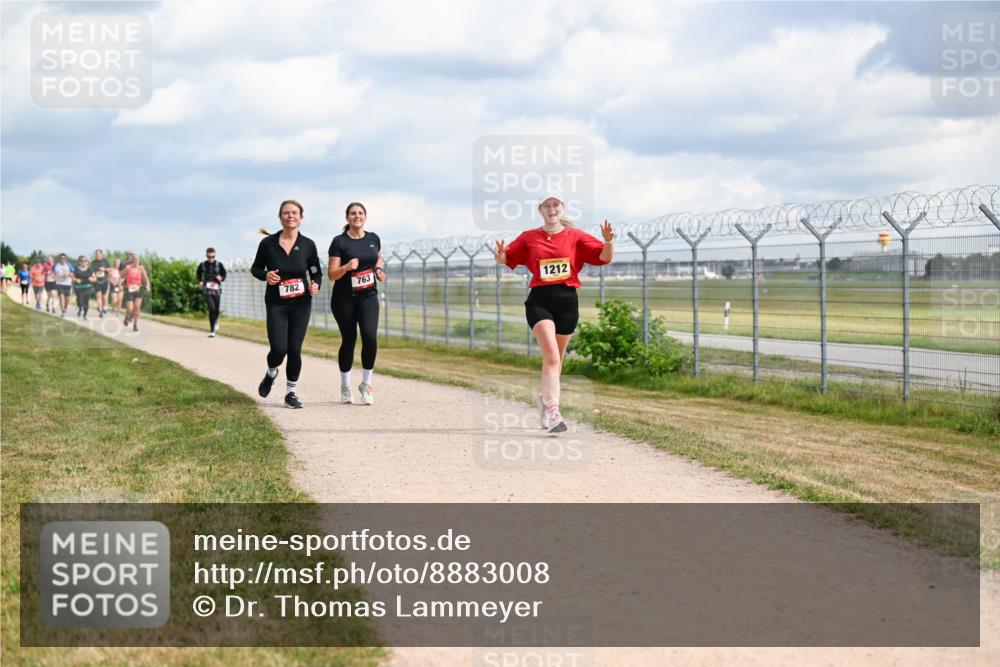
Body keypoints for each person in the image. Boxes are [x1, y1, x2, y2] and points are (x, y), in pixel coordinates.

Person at [494, 195, 615, 433]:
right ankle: (554, 411)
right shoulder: (530, 237)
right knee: (551, 357)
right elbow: (508, 257)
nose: (552, 209)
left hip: (568, 302)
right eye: (547, 205)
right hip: (540, 301)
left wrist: (609, 241)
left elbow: (604, 257)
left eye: (556, 205)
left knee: (557, 361)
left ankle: (545, 401)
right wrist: (500, 257)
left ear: (562, 208)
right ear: (540, 209)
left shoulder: (576, 236)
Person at [251, 200, 322, 409]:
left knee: (294, 349)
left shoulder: (308, 244)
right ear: (280, 217)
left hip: (301, 303)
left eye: (294, 213)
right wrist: (266, 275)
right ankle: (271, 373)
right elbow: (255, 269)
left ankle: (291, 393)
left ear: (301, 217)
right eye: (286, 213)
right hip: (276, 304)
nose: (290, 216)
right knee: (279, 349)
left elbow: (316, 271)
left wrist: (316, 283)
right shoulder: (268, 244)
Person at [327, 202, 384, 405]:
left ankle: (366, 385)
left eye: (360, 213)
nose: (356, 216)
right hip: (344, 299)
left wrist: (378, 270)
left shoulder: (373, 238)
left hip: (368, 296)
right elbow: (331, 274)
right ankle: (345, 386)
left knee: (370, 337)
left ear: (365, 217)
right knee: (349, 339)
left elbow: (378, 258)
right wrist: (346, 267)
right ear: (347, 218)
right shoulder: (339, 241)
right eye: (353, 213)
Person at [196, 247, 227, 337]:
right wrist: (200, 281)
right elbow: (198, 273)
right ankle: (212, 330)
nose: (211, 259)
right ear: (206, 256)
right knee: (212, 308)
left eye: (212, 257)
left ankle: (216, 320)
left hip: (216, 289)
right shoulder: (202, 265)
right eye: (209, 257)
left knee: (216, 310)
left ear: (215, 255)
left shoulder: (219, 265)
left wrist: (221, 278)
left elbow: (224, 274)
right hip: (207, 289)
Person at [122, 253, 151, 332]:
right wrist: (120, 283)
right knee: (130, 308)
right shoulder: (128, 267)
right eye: (135, 260)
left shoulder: (141, 268)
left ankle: (135, 325)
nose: (136, 262)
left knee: (137, 307)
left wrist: (148, 285)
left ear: (139, 261)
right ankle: (127, 317)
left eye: (137, 260)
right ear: (132, 261)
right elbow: (121, 275)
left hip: (138, 289)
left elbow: (146, 279)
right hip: (129, 290)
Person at [91, 249, 110, 317]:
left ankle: (104, 307)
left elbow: (109, 269)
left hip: (104, 281)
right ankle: (101, 310)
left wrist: (104, 269)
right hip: (97, 281)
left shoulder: (105, 261)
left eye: (98, 254)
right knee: (98, 296)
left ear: (101, 254)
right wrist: (94, 277)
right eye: (96, 254)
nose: (97, 255)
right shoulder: (93, 262)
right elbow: (92, 271)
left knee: (104, 297)